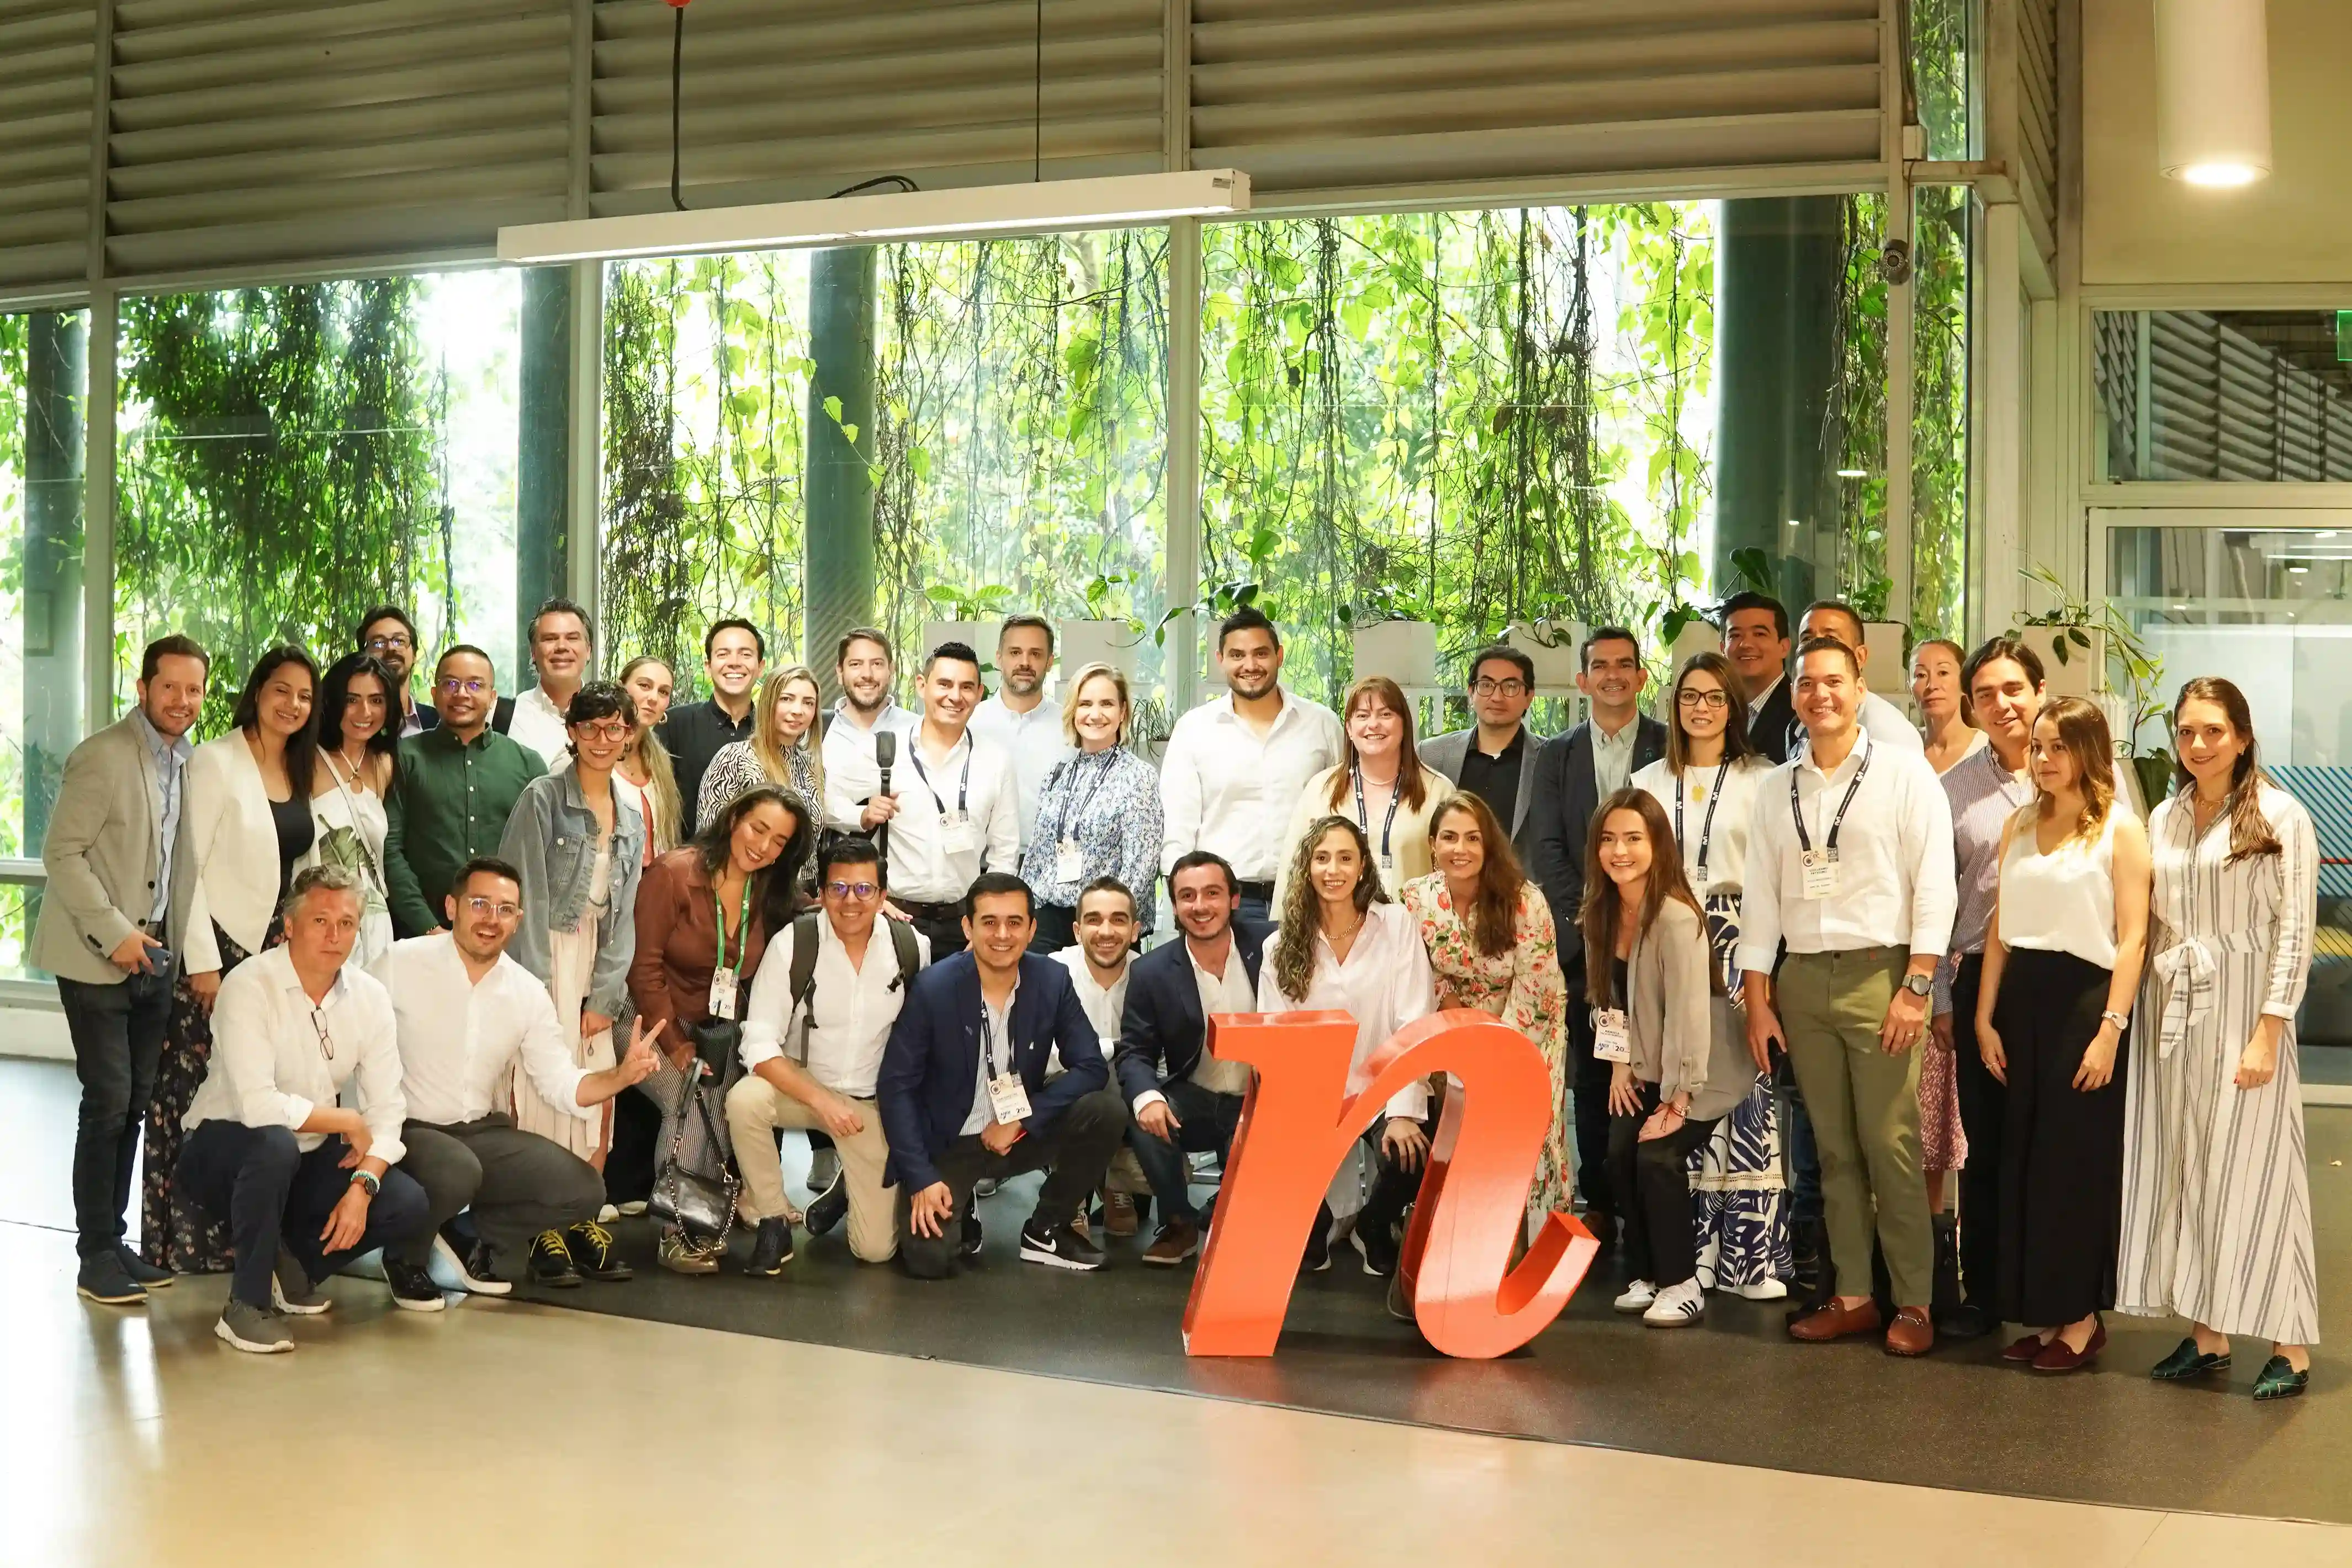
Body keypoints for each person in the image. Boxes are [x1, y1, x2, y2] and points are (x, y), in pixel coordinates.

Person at [1738, 635, 1954, 1356]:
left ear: (1860, 688)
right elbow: (1762, 903)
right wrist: (1759, 999)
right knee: (1830, 1152)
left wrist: (1916, 986)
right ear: (1795, 693)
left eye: (1835, 681)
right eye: (1808, 683)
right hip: (1802, 981)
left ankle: (1916, 1304)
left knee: (1891, 1146)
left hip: (1881, 975)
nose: (1820, 694)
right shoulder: (1777, 788)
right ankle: (1856, 1295)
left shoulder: (1902, 774)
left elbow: (1936, 886)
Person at [2118, 677, 2319, 1402]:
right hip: (2176, 1008)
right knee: (2189, 1169)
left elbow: (2294, 931)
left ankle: (2290, 1344)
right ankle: (2208, 1334)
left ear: (2241, 734)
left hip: (2244, 1005)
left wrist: (2270, 1030)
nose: (2198, 744)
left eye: (2213, 730)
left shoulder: (2280, 815)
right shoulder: (2166, 817)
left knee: (2260, 1177)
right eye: (2187, 731)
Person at [173, 867, 436, 1352]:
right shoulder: (250, 985)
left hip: (304, 1157)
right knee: (273, 1145)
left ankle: (288, 1265)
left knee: (406, 1203)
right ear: (289, 926)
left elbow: (388, 1109)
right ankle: (245, 1307)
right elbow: (257, 1107)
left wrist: (365, 1184)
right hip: (222, 1150)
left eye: (348, 924)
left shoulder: (370, 996)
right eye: (320, 921)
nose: (335, 936)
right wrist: (347, 1120)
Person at [378, 858, 663, 1292]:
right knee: (457, 1170)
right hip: (408, 1128)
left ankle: (468, 1235)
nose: (492, 920)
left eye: (506, 909)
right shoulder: (400, 962)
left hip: (478, 1131)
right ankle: (403, 1258)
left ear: (519, 920)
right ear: (451, 907)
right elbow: (350, 1029)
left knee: (585, 1191)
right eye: (480, 904)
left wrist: (621, 1077)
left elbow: (561, 1083)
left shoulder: (527, 990)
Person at [1974, 698, 2150, 1373]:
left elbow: (2134, 936)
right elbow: (1999, 926)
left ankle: (2081, 1316)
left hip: (2086, 1001)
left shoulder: (2119, 828)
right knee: (2022, 1157)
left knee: (2072, 1162)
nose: (2042, 758)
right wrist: (1986, 1015)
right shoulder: (2019, 822)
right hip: (2022, 998)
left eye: (2057, 747)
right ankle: (2045, 1314)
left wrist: (2111, 1028)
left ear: (2088, 750)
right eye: (2037, 747)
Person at [36, 634, 209, 1306]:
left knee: (136, 1101)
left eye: (194, 689)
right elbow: (63, 853)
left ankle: (114, 1241)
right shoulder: (104, 756)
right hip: (96, 952)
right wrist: (116, 935)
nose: (182, 701)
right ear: (143, 687)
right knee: (107, 1102)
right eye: (170, 687)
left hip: (158, 955)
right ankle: (91, 1254)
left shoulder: (189, 762)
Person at [146, 645, 321, 1275]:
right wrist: (202, 964)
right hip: (215, 950)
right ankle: (176, 1241)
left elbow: (296, 864)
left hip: (273, 950)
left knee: (251, 1093)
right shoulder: (217, 760)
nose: (292, 704)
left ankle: (241, 1238)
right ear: (257, 691)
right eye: (281, 690)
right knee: (190, 1092)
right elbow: (187, 868)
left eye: (304, 696)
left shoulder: (298, 767)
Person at [1630, 650, 1789, 1300]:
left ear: (1734, 706)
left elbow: (1778, 873)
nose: (1701, 707)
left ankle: (1750, 1262)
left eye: (1715, 697)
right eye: (1690, 695)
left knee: (1746, 1092)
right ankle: (1684, 1259)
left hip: (1740, 936)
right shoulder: (1647, 780)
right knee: (1679, 1084)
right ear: (1675, 704)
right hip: (1666, 937)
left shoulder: (1766, 778)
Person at [878, 872, 1129, 1278]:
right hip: (950, 1141)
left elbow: (1090, 1065)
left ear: (1032, 929)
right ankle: (960, 1203)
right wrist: (922, 1177)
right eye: (989, 922)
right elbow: (896, 1087)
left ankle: (1047, 1227)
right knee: (930, 1262)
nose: (1002, 935)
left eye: (1014, 922)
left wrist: (1021, 1120)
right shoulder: (934, 988)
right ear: (967, 927)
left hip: (1017, 1132)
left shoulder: (1051, 980)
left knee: (1106, 1108)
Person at [1586, 791, 1753, 1328]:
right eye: (1609, 838)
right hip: (1644, 1062)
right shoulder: (1604, 911)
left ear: (1658, 844)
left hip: (1702, 1066)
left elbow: (1688, 1014)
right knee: (1617, 1153)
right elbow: (1607, 999)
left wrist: (1678, 1099)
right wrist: (1618, 1066)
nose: (1620, 850)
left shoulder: (1677, 916)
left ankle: (1684, 1283)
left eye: (1634, 837)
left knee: (1657, 1156)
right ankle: (1649, 1273)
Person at [729, 835, 929, 1273]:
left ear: (882, 896)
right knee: (745, 1100)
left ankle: (847, 1185)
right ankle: (774, 1218)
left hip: (869, 1104)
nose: (851, 901)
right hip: (804, 1092)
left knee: (875, 1252)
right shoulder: (793, 944)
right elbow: (758, 1045)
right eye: (838, 888)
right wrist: (823, 1101)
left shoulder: (911, 948)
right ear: (821, 894)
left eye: (864, 889)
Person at [630, 784, 808, 1273]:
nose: (764, 847)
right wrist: (675, 1044)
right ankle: (677, 1233)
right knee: (688, 1100)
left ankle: (703, 1221)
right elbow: (644, 968)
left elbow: (821, 911)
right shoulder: (673, 873)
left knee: (724, 1100)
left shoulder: (771, 888)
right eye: (759, 829)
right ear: (734, 821)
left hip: (717, 1026)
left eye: (779, 842)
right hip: (650, 1017)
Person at [1528, 627, 1666, 1251]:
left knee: (1658, 1063)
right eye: (1599, 666)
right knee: (1592, 1073)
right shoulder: (1556, 753)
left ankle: (1655, 1198)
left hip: (1661, 933)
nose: (1612, 675)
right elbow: (1549, 845)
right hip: (1586, 940)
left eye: (1624, 665)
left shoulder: (1670, 743)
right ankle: (1603, 1201)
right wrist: (1587, 914)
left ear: (1642, 678)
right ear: (1581, 681)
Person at [1258, 815, 1438, 1276]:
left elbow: (1413, 1020)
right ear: (1307, 867)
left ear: (1363, 868)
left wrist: (1402, 1111)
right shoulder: (1280, 947)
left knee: (1412, 1146)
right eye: (1322, 858)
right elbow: (1276, 1044)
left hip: (1384, 1087)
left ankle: (1374, 1227)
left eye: (1344, 857)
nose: (1332, 869)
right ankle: (1312, 1228)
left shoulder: (1396, 926)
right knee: (1273, 1146)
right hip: (1317, 1094)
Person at [1934, 635, 2049, 1337]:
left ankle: (2053, 1291)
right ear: (1972, 706)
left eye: (2014, 688)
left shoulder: (2088, 774)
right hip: (1982, 978)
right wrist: (1945, 1002)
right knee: (1986, 1144)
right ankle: (1985, 1292)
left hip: (2066, 978)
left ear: (2038, 690)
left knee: (2053, 1142)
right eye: (1986, 694)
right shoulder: (1952, 789)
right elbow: (1937, 902)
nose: (2002, 704)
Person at [1399, 792, 1570, 1229]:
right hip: (1450, 1030)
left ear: (1489, 844)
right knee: (1458, 1135)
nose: (1461, 849)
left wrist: (1494, 1055)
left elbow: (1537, 988)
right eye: (1450, 838)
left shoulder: (1525, 901)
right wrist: (1459, 1024)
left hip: (1527, 1030)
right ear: (1433, 844)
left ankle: (1532, 1237)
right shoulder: (1413, 899)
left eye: (1473, 838)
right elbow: (1414, 968)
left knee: (1525, 1132)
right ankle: (1459, 1234)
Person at [499, 684, 648, 1171]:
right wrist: (535, 984)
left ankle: (583, 1203)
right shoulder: (542, 797)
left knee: (597, 1071)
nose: (602, 739)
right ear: (572, 731)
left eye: (614, 728)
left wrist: (606, 996)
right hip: (542, 952)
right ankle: (540, 1209)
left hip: (595, 956)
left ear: (629, 735)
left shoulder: (630, 815)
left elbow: (624, 913)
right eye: (590, 727)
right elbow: (524, 896)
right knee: (537, 1078)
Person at [1116, 851, 1270, 1268]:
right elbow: (1134, 1051)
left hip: (1261, 1103)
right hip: (1196, 1098)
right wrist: (1147, 1096)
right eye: (1187, 896)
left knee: (1262, 1243)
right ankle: (1179, 1223)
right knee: (1143, 1114)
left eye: (1212, 893)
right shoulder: (1151, 971)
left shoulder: (1272, 946)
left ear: (1235, 899)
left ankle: (1227, 1208)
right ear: (1174, 906)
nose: (1200, 906)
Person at [1159, 606, 1343, 925]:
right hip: (1223, 904)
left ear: (1279, 656)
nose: (1250, 665)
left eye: (1261, 653)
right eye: (1237, 655)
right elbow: (1178, 827)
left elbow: (1345, 811)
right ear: (1220, 660)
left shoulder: (1322, 725)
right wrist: (1187, 901)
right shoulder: (1194, 730)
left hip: (1308, 896)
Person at [845, 643, 1019, 960]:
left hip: (963, 925)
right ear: (922, 686)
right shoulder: (883, 749)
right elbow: (831, 811)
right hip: (893, 921)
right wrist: (863, 818)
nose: (956, 696)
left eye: (967, 687)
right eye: (945, 684)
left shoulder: (996, 760)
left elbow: (1004, 852)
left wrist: (988, 922)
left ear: (980, 693)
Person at [384, 646, 548, 939]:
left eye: (475, 685)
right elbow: (390, 849)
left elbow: (540, 858)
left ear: (493, 698)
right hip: (419, 937)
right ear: (434, 695)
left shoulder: (527, 764)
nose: (462, 693)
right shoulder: (405, 757)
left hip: (506, 939)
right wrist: (428, 927)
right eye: (450, 684)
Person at [1019, 661, 1161, 954]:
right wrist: (1020, 914)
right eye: (1086, 704)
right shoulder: (1057, 774)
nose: (1095, 714)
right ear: (1074, 711)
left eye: (1107, 704)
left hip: (1104, 925)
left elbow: (1141, 864)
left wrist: (1110, 920)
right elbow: (1036, 857)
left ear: (1123, 712)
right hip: (1048, 920)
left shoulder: (1139, 777)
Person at [1907, 635, 1976, 1220]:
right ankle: (1930, 1256)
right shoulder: (1904, 758)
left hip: (1976, 953)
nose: (1931, 682)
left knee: (1971, 1118)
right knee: (1926, 1122)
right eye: (1920, 672)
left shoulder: (1985, 757)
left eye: (1943, 671)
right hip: (1921, 955)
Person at [1278, 675, 1453, 901]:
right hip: (1338, 929)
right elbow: (1294, 870)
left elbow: (1455, 869)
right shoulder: (1321, 789)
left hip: (1416, 928)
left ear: (1404, 724)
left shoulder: (1439, 790)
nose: (1373, 724)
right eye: (1362, 716)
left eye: (1386, 714)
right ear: (1349, 729)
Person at [1051, 877, 1143, 1235]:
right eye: (1094, 920)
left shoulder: (1149, 974)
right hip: (1067, 1087)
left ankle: (1116, 1184)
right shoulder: (1052, 972)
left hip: (1128, 1090)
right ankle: (1072, 1194)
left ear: (1135, 930)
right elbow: (1047, 1056)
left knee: (1124, 1086)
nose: (1106, 931)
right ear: (1077, 930)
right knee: (1090, 1087)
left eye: (1118, 920)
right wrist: (1108, 1052)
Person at [303, 651, 400, 967]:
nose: (365, 712)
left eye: (376, 700)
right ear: (333, 702)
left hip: (374, 918)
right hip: (319, 915)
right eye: (352, 700)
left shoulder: (384, 764)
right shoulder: (306, 760)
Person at [1421, 643, 1546, 859]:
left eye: (1511, 686)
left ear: (1529, 696)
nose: (1497, 697)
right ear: (1471, 692)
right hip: (1449, 886)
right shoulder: (1431, 755)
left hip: (1523, 888)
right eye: (1487, 685)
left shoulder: (1551, 757)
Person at [969, 614, 1073, 851]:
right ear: (999, 658)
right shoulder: (972, 723)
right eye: (1015, 652)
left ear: (1049, 661)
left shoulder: (1070, 728)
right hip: (982, 865)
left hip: (1052, 865)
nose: (1025, 662)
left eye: (1035, 654)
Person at [661, 618, 765, 838]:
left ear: (760, 667)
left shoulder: (773, 731)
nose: (734, 662)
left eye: (745, 654)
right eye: (723, 654)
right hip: (689, 863)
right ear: (708, 666)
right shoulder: (674, 723)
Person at [697, 664, 827, 831]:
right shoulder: (735, 759)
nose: (798, 711)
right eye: (786, 699)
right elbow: (709, 838)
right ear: (768, 703)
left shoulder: (813, 769)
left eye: (808, 703)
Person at [819, 626, 920, 839]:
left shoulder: (918, 730)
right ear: (840, 672)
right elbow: (809, 800)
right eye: (856, 665)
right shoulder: (817, 731)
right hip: (836, 866)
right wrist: (860, 815)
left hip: (909, 868)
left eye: (877, 664)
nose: (867, 675)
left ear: (891, 670)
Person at [1796, 601, 1923, 755]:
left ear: (1860, 656)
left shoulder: (1891, 737)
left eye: (1831, 639)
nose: (1817, 647)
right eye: (1807, 639)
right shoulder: (1802, 718)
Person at [507, 597, 595, 769]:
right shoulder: (506, 717)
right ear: (533, 652)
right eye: (550, 639)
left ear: (589, 650)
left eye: (572, 638)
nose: (562, 647)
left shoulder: (610, 718)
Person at [615, 655, 682, 860]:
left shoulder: (661, 761)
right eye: (645, 686)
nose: (653, 698)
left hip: (654, 883)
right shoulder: (590, 751)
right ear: (621, 688)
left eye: (663, 692)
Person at [1720, 591, 1794, 766]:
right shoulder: (1715, 707)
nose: (1746, 644)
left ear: (1784, 647)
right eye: (1735, 636)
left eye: (1760, 634)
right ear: (1723, 649)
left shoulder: (1800, 709)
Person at [356, 605, 436, 738]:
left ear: (414, 654)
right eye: (378, 644)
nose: (391, 648)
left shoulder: (437, 722)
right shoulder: (352, 723)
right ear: (363, 658)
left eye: (399, 641)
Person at [1914, 638, 1983, 778]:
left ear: (1965, 683)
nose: (1932, 685)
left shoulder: (1988, 750)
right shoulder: (1901, 745)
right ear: (1910, 686)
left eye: (1943, 673)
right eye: (1921, 675)